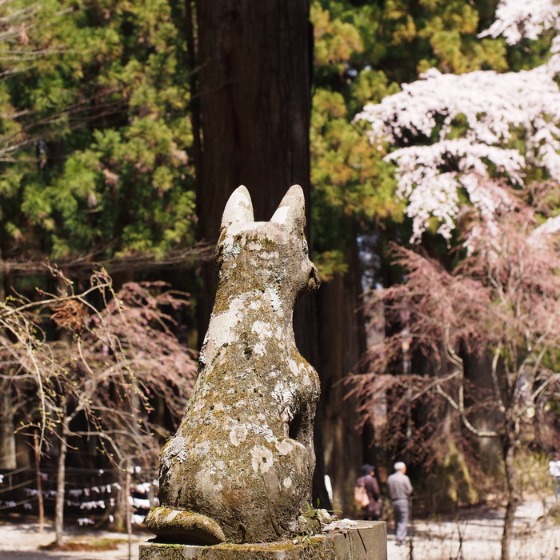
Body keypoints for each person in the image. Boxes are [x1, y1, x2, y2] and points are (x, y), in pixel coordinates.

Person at [387, 461, 413, 545]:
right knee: (403, 519)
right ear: (402, 469)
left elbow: (389, 490)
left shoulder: (390, 478)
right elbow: (409, 490)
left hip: (394, 501)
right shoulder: (405, 478)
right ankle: (400, 538)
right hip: (403, 500)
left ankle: (397, 535)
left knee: (397, 519)